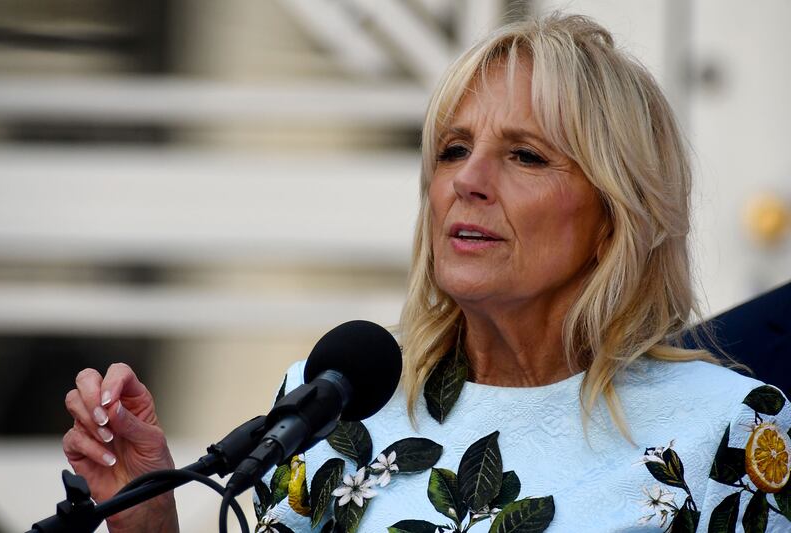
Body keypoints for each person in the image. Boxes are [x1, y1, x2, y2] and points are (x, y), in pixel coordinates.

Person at [62, 13, 791, 533]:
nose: (467, 181)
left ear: (614, 216)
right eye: (452, 149)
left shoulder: (727, 426)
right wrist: (149, 520)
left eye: (525, 155)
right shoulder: (328, 404)